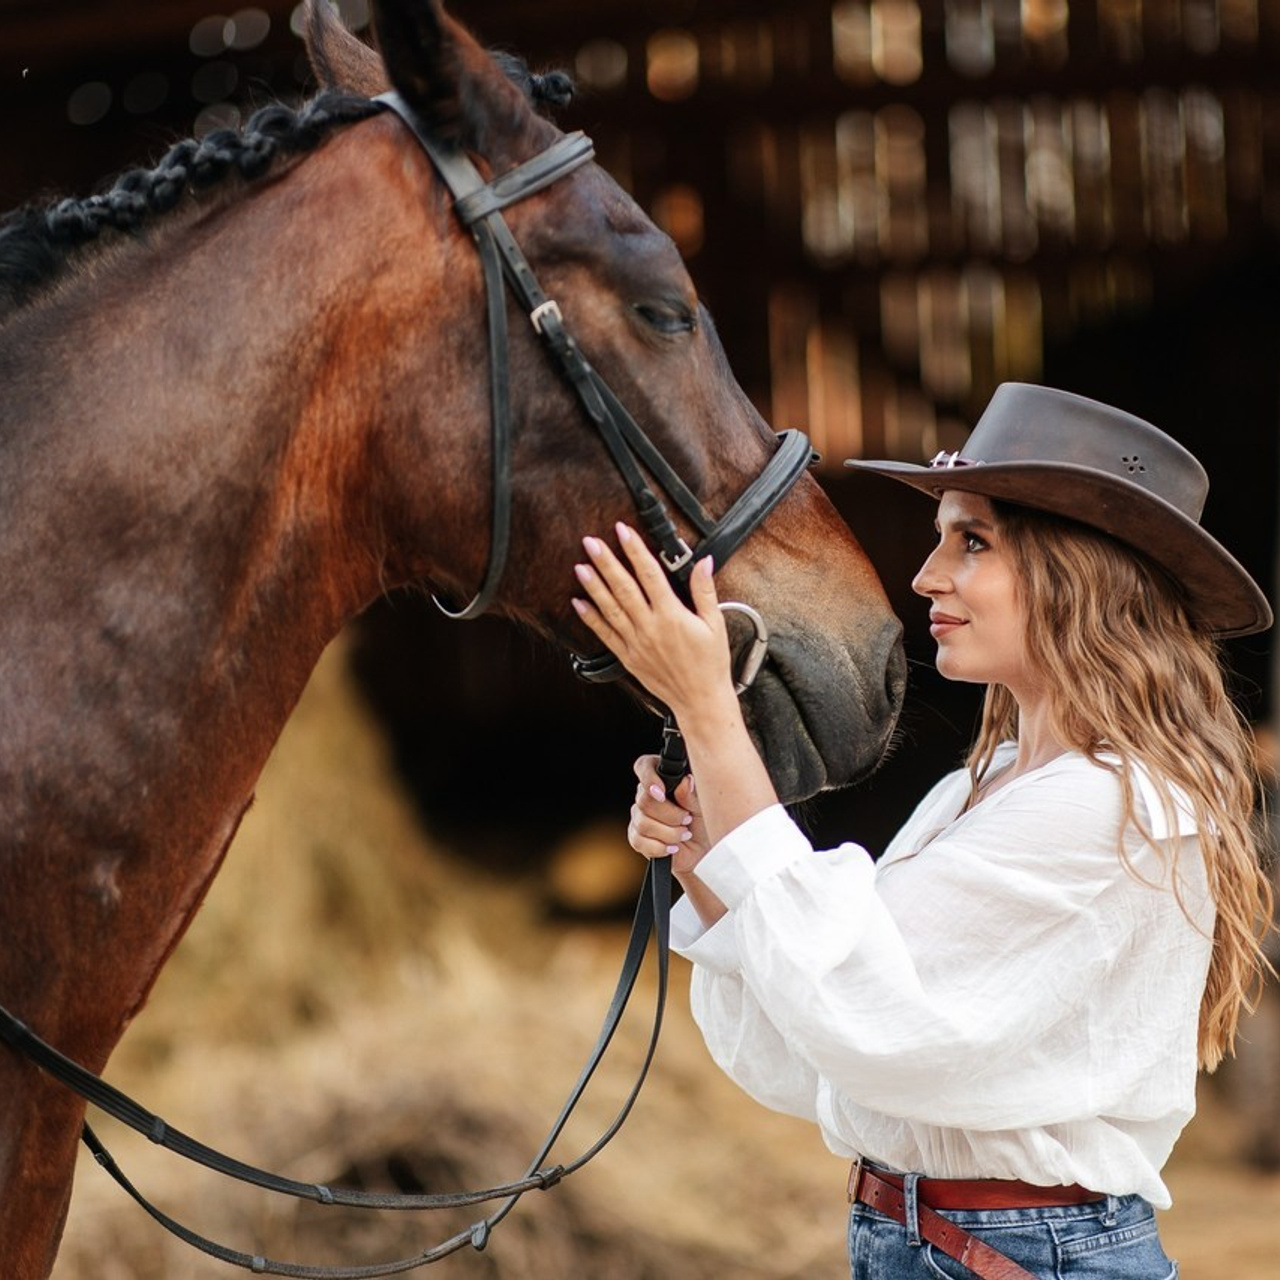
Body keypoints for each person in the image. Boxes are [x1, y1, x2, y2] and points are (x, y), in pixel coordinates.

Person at [569, 382, 1275, 1279]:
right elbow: (825, 1031)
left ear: (1080, 574)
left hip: (1026, 1255)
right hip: (930, 1242)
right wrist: (706, 853)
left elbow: (863, 1005)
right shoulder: (972, 793)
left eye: (971, 542)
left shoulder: (1117, 804)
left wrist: (708, 708)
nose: (926, 576)